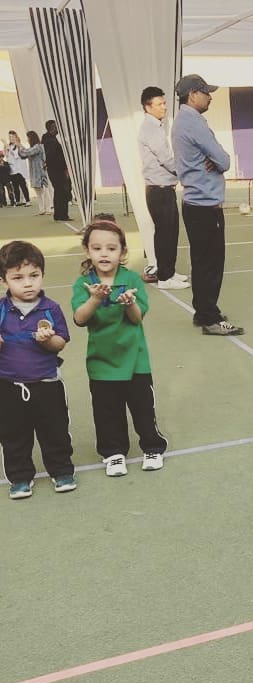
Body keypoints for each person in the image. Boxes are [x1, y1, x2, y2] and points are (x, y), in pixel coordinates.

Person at [71, 220, 168, 477]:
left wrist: (129, 304)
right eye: (97, 248)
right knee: (107, 413)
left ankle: (152, 447)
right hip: (101, 363)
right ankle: (114, 454)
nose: (104, 253)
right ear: (87, 251)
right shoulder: (84, 284)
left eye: (111, 248)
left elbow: (137, 318)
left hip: (135, 361)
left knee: (143, 408)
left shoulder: (132, 279)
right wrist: (95, 299)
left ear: (122, 252)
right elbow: (80, 319)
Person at [0, 240, 76, 499]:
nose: (28, 283)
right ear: (4, 280)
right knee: (13, 435)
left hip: (47, 383)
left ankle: (62, 470)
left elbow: (60, 344)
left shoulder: (51, 308)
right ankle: (20, 477)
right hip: (9, 386)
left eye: (34, 275)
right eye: (18, 277)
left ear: (42, 275)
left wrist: (48, 341)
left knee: (55, 429)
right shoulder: (0, 310)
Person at [171, 74, 244, 336]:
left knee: (202, 262)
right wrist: (216, 159)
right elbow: (223, 160)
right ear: (193, 95)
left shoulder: (182, 122)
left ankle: (203, 311)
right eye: (206, 92)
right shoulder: (193, 123)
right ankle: (210, 318)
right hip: (204, 205)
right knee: (210, 264)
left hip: (195, 203)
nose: (210, 96)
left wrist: (213, 157)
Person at [138, 85, 188, 291]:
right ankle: (165, 278)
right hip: (159, 189)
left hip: (163, 189)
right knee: (165, 234)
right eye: (159, 104)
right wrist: (185, 172)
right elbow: (166, 158)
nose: (164, 107)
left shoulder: (156, 126)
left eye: (164, 103)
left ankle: (168, 271)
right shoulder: (151, 128)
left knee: (170, 232)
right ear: (147, 107)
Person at [41, 120, 72, 222]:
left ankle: (59, 215)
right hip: (57, 171)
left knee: (59, 192)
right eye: (56, 127)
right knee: (62, 192)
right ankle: (62, 215)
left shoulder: (48, 140)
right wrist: (65, 169)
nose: (58, 129)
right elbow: (56, 157)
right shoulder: (51, 141)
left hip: (54, 170)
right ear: (52, 128)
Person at [17, 131, 53, 215]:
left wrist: (20, 145)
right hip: (34, 172)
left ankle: (49, 208)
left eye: (28, 137)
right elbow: (23, 155)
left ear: (32, 138)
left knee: (43, 190)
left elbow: (26, 153)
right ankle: (42, 209)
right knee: (38, 191)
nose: (27, 139)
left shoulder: (38, 146)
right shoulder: (33, 147)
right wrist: (19, 147)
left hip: (40, 172)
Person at [5, 131, 31, 207]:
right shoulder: (9, 146)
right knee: (15, 186)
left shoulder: (18, 145)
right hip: (12, 170)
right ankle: (18, 200)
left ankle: (27, 201)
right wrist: (6, 149)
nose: (11, 138)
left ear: (16, 137)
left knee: (23, 185)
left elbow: (16, 156)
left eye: (12, 137)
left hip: (19, 170)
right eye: (9, 137)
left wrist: (9, 149)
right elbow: (7, 157)